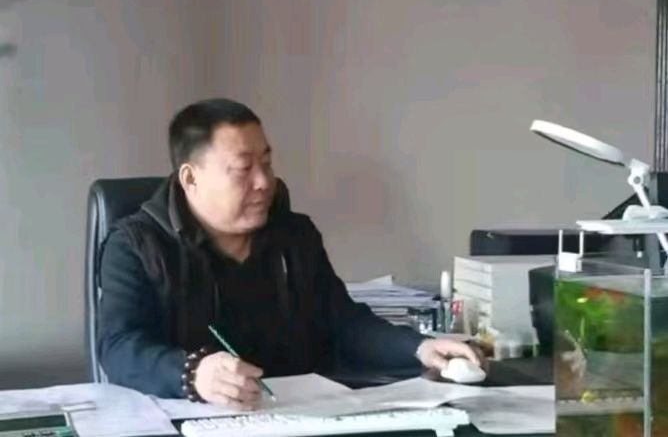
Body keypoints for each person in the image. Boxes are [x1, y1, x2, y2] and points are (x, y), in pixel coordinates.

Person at [97, 98, 480, 408]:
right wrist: (192, 373)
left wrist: (419, 348)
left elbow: (343, 322)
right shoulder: (136, 246)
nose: (264, 182)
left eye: (266, 163)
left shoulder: (294, 236)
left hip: (302, 417)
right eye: (244, 168)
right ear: (190, 178)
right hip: (194, 422)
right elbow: (118, 347)